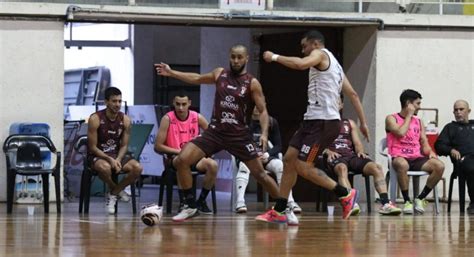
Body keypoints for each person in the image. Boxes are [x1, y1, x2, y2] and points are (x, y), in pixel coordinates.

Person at [155, 44, 285, 222]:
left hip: (238, 135)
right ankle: (191, 205)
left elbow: (262, 111)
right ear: (229, 57)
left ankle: (282, 208)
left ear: (246, 59)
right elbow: (197, 78)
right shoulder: (219, 74)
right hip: (215, 132)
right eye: (233, 57)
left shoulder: (252, 83)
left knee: (259, 174)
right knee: (181, 160)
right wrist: (172, 73)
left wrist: (263, 133)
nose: (236, 60)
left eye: (240, 57)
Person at [258, 30, 370, 223]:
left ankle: (345, 194)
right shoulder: (336, 66)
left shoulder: (319, 54)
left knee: (303, 166)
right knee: (289, 159)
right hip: (311, 121)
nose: (303, 50)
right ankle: (280, 209)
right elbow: (353, 95)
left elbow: (300, 65)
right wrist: (364, 123)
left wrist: (274, 57)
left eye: (304, 46)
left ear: (316, 44)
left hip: (323, 123)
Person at [324, 95, 401, 216]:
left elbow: (357, 143)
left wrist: (360, 151)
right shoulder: (321, 123)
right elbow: (315, 143)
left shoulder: (349, 123)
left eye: (337, 102)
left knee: (376, 168)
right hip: (334, 157)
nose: (335, 105)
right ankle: (351, 203)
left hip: (351, 156)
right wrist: (326, 151)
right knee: (342, 169)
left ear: (341, 105)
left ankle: (386, 204)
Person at [154, 92, 218, 215]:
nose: (181, 108)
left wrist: (208, 150)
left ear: (189, 103)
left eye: (184, 104)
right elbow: (157, 146)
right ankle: (185, 202)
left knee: (213, 165)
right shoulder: (167, 119)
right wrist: (179, 151)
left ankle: (201, 202)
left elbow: (213, 136)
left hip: (195, 158)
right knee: (182, 161)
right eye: (178, 104)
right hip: (174, 158)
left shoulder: (197, 117)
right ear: (173, 103)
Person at [385, 89, 445, 214]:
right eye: (417, 104)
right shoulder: (391, 118)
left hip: (416, 157)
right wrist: (408, 116)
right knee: (402, 164)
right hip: (399, 156)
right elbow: (401, 133)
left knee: (439, 166)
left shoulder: (418, 121)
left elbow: (424, 143)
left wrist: (430, 153)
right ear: (408, 103)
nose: (419, 107)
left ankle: (420, 198)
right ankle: (407, 201)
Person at [234, 107, 302, 214]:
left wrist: (267, 154)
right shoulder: (243, 122)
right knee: (244, 167)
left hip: (266, 157)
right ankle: (240, 202)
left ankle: (290, 202)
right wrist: (253, 156)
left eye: (259, 105)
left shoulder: (271, 122)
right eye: (254, 105)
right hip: (248, 157)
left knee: (280, 165)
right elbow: (238, 144)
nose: (256, 108)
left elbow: (278, 146)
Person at [87, 87, 143, 215]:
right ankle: (117, 190)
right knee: (105, 167)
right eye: (114, 101)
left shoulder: (126, 120)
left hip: (116, 155)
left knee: (137, 168)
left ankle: (113, 193)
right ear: (106, 102)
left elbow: (124, 145)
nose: (117, 104)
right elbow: (92, 147)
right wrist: (109, 159)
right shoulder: (95, 118)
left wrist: (117, 159)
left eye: (119, 101)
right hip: (99, 155)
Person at [435, 100, 474, 214]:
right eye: (456, 110)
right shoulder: (450, 127)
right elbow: (439, 145)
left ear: (469, 111)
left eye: (461, 109)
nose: (458, 112)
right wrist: (451, 150)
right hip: (463, 161)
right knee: (472, 167)